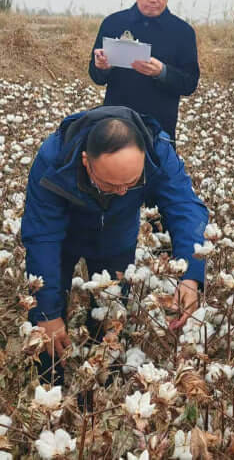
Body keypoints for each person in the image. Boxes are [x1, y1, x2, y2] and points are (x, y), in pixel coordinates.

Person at [22, 106, 208, 385]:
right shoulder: (54, 157)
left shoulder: (158, 152)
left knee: (110, 318)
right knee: (47, 323)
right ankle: (50, 384)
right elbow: (42, 236)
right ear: (86, 162)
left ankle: (99, 384)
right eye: (109, 184)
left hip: (117, 238)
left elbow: (184, 207)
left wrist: (190, 275)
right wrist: (47, 314)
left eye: (131, 183)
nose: (122, 191)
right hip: (64, 239)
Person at [89, 0, 200, 142]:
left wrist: (162, 72)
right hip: (115, 128)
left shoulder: (183, 32)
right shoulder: (113, 23)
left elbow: (190, 84)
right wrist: (102, 67)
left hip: (159, 132)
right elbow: (96, 77)